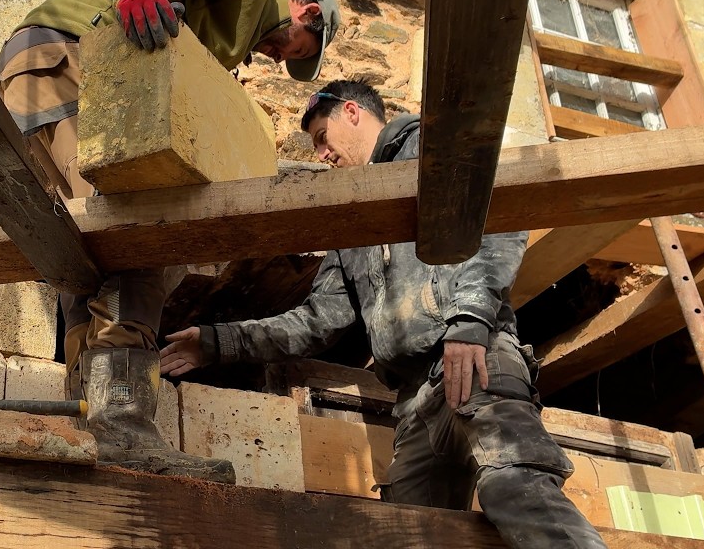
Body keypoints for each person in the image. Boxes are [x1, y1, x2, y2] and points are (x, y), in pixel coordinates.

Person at [159, 80, 608, 548]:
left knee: (518, 491)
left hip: (475, 361)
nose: (321, 155)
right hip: (415, 403)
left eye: (321, 136)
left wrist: (469, 323)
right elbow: (317, 321)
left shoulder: (429, 150)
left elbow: (497, 222)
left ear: (351, 112)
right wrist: (217, 341)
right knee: (407, 534)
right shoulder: (354, 221)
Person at [0, 0, 341, 483]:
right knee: (146, 239)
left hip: (67, 70)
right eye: (297, 49)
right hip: (75, 58)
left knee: (92, 262)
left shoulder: (221, 47)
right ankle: (122, 426)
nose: (282, 59)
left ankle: (92, 419)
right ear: (306, 12)